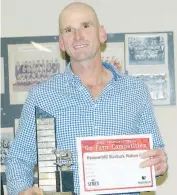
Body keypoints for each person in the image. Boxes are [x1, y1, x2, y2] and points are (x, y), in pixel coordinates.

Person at [5, 2, 168, 195]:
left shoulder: (135, 91)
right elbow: (19, 159)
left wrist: (159, 162)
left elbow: (155, 150)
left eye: (85, 26)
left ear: (101, 34)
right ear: (62, 43)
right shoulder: (41, 96)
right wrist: (21, 191)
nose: (78, 36)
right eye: (69, 30)